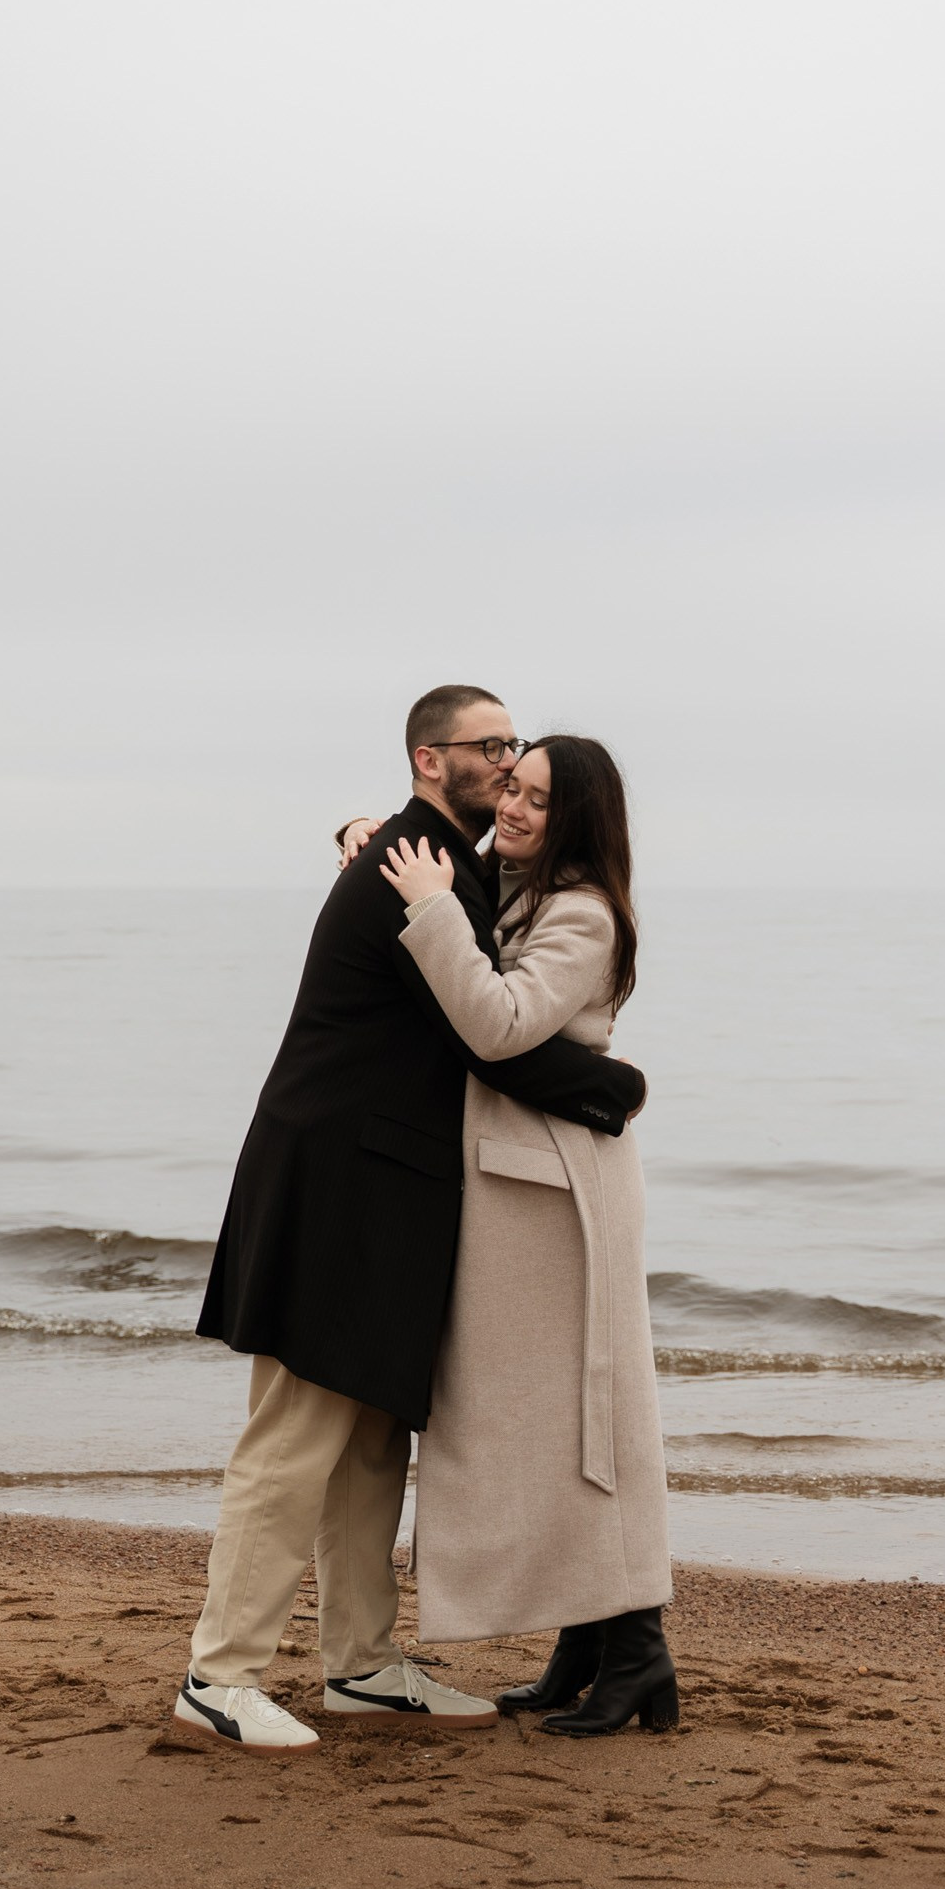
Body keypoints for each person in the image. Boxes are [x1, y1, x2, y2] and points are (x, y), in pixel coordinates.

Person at [176, 686, 649, 1755]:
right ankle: (220, 1674)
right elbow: (499, 1035)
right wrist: (610, 1089)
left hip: (389, 1190)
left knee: (369, 1440)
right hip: (337, 1180)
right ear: (431, 760)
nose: (508, 762)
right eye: (492, 749)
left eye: (516, 751)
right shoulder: (411, 866)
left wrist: (356, 824)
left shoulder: (439, 861)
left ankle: (359, 1665)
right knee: (292, 1437)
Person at [356, 734, 676, 1735]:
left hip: (556, 1195)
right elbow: (438, 862)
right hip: (516, 1183)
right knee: (539, 1421)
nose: (515, 807)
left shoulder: (580, 911)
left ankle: (638, 1652)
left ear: (577, 813)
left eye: (538, 797)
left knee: (589, 1414)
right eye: (511, 787)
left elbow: (496, 1023)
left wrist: (428, 908)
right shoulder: (518, 884)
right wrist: (361, 837)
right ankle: (585, 1638)